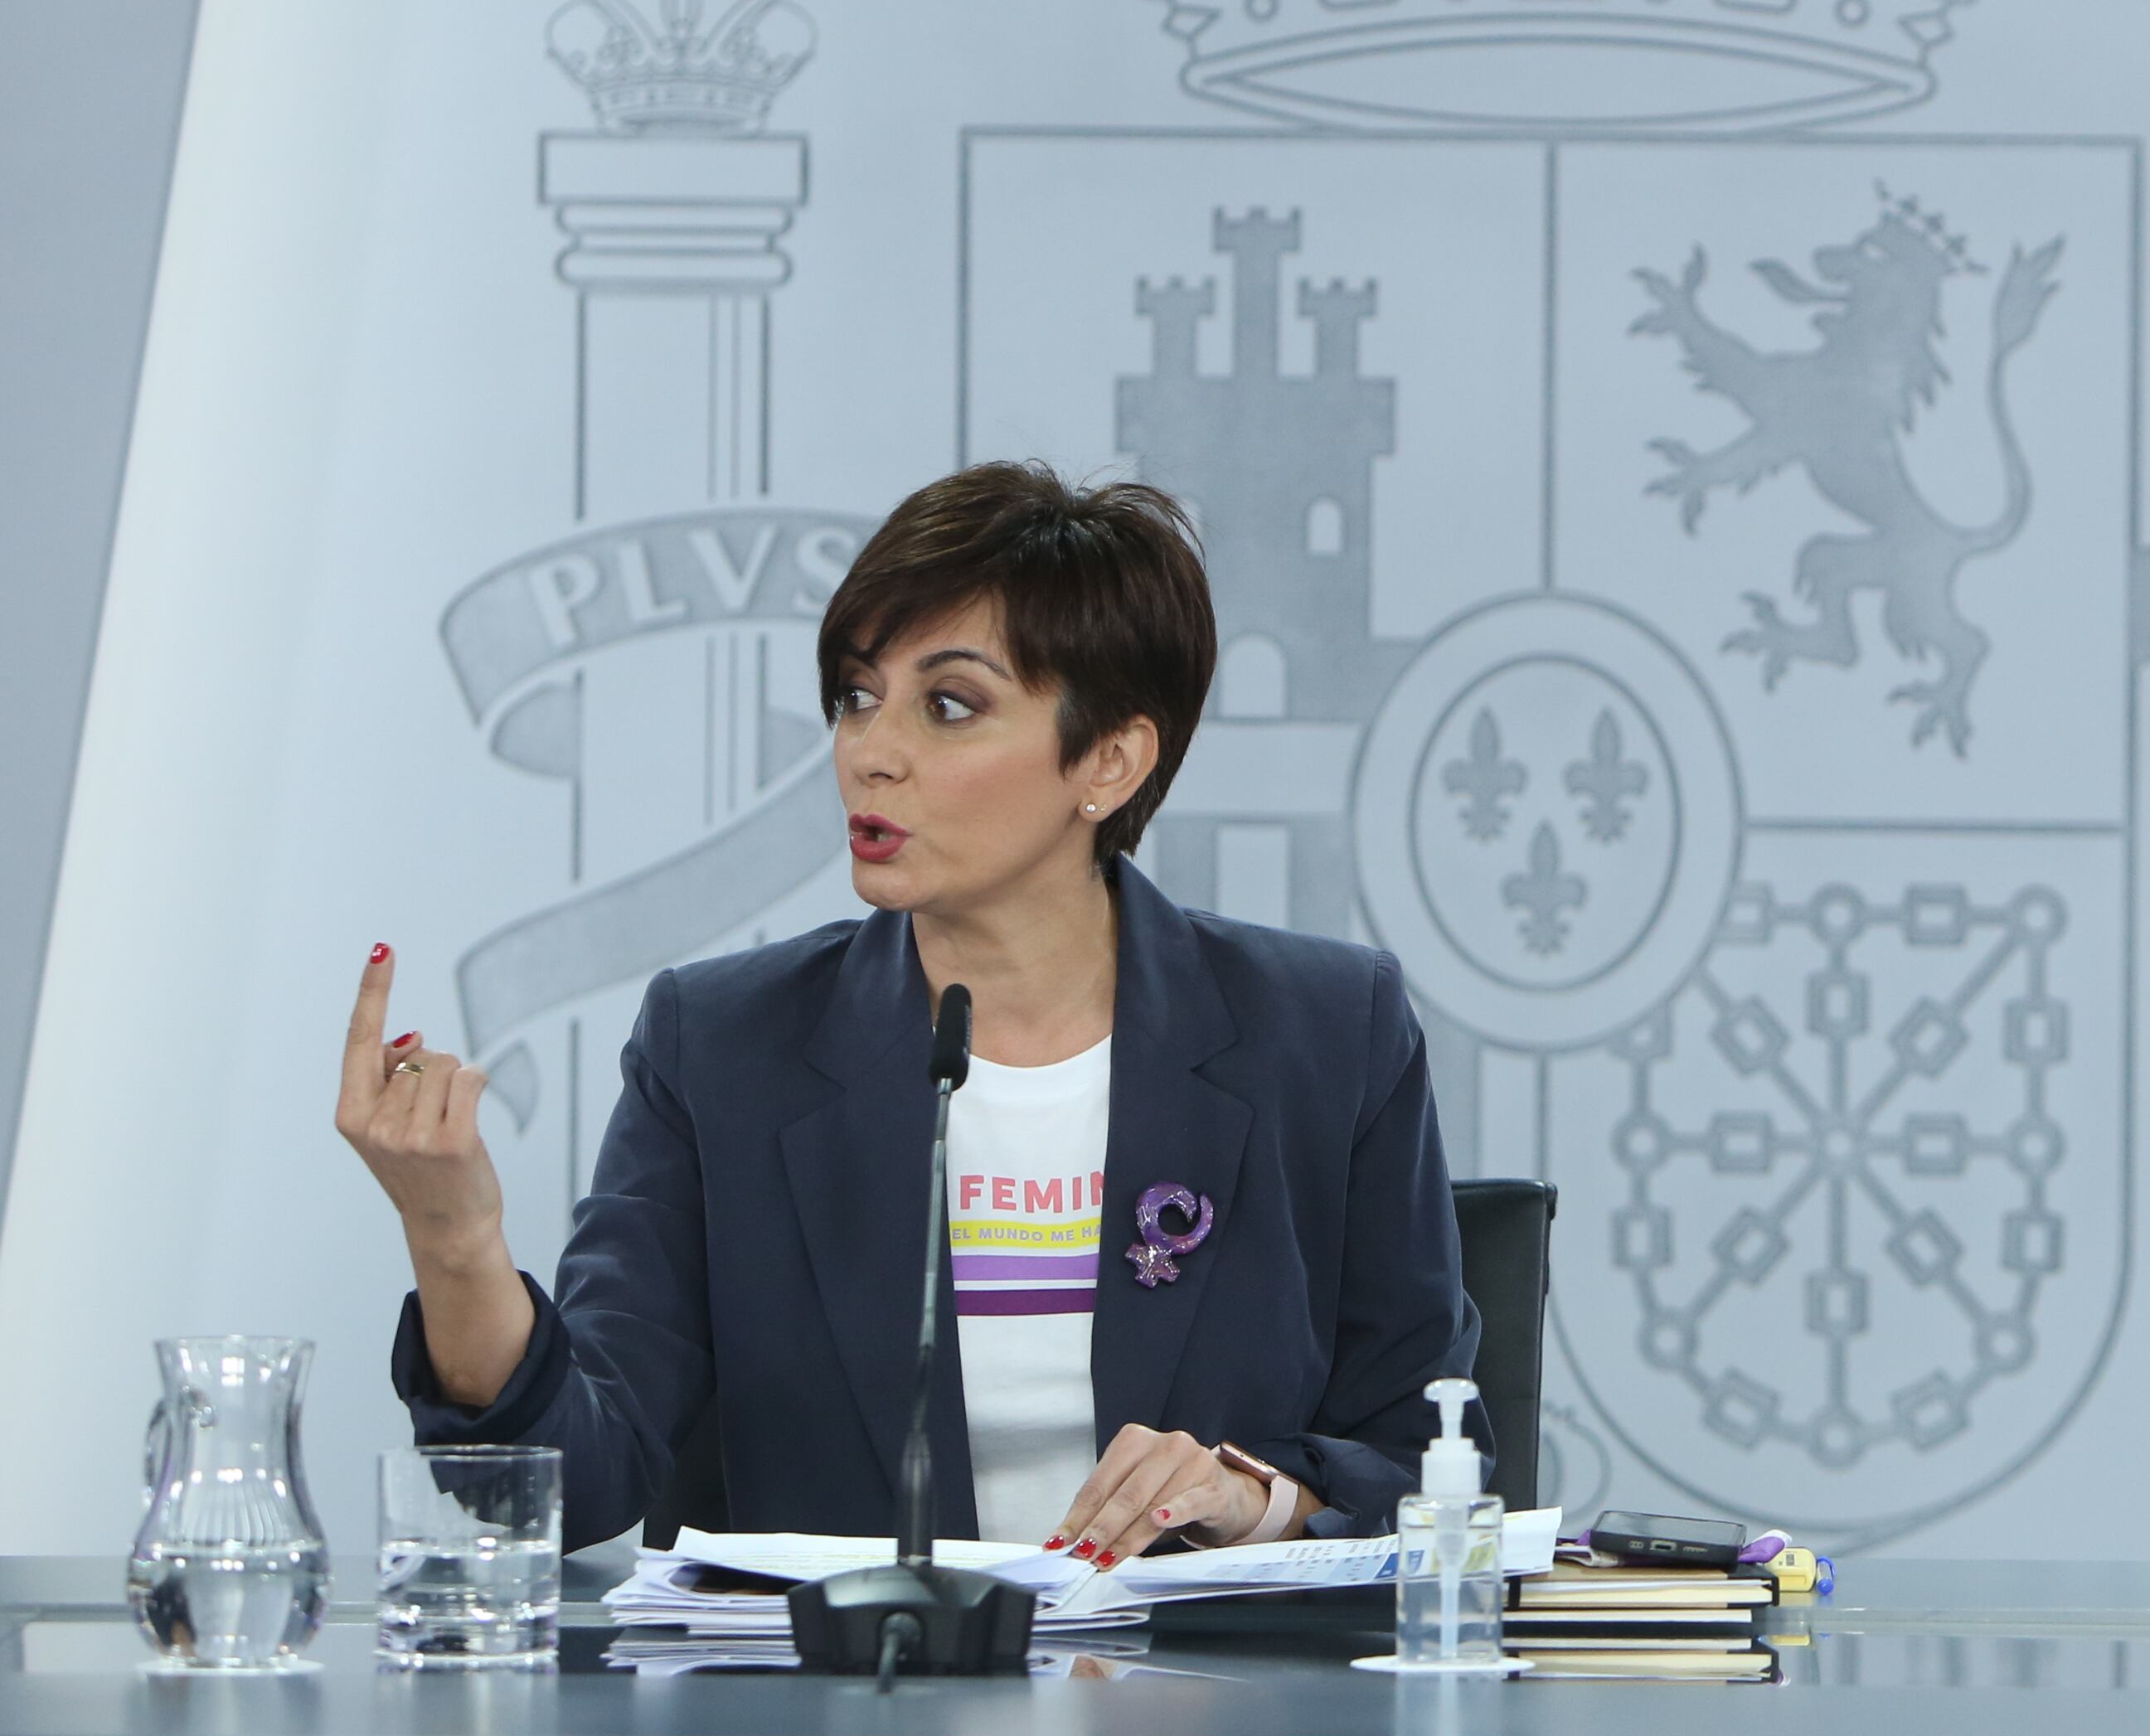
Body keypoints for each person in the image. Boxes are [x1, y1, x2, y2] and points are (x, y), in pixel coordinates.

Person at [338, 463, 1478, 1559]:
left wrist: (1255, 1498)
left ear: (1110, 760)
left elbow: (1430, 1464)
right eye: (857, 697)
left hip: (1198, 1688)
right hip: (848, 1690)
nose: (869, 755)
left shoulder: (1328, 1035)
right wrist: (455, 1237)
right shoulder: (724, 1047)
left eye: (948, 705)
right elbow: (569, 1486)